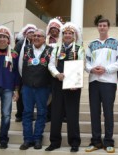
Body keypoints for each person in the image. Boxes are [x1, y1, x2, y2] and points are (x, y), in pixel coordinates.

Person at [85, 18, 118, 153]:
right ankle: (96, 141)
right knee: (94, 113)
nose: (102, 27)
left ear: (108, 27)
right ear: (97, 28)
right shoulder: (92, 44)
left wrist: (106, 69)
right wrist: (91, 69)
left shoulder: (116, 43)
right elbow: (86, 62)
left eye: (104, 25)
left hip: (109, 82)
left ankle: (108, 141)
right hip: (93, 82)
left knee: (108, 113)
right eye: (100, 25)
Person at [46, 22, 84, 152]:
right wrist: (57, 74)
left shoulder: (79, 49)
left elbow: (81, 65)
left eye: (70, 33)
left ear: (74, 36)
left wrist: (75, 82)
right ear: (62, 35)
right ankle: (54, 142)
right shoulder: (56, 48)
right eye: (65, 33)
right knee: (56, 113)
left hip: (73, 85)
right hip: (57, 83)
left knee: (72, 114)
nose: (67, 35)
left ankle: (74, 142)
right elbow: (51, 65)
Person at [19, 29, 52, 150]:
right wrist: (26, 80)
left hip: (43, 87)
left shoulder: (50, 50)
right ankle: (27, 139)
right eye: (35, 35)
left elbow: (52, 67)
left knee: (42, 113)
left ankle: (38, 138)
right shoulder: (26, 48)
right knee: (27, 112)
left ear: (44, 38)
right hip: (27, 87)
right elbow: (20, 67)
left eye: (39, 36)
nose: (36, 37)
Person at [14, 24, 37, 122]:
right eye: (29, 33)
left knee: (31, 95)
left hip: (33, 74)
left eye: (33, 33)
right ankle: (19, 114)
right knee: (20, 95)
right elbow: (15, 57)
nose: (31, 34)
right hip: (20, 73)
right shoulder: (20, 44)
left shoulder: (37, 44)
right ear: (26, 34)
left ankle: (30, 114)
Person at [45, 17, 63, 122]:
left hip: (60, 69)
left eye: (56, 29)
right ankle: (48, 115)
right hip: (47, 71)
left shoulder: (62, 39)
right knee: (49, 93)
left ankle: (61, 114)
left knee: (60, 93)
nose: (54, 30)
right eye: (52, 28)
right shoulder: (45, 40)